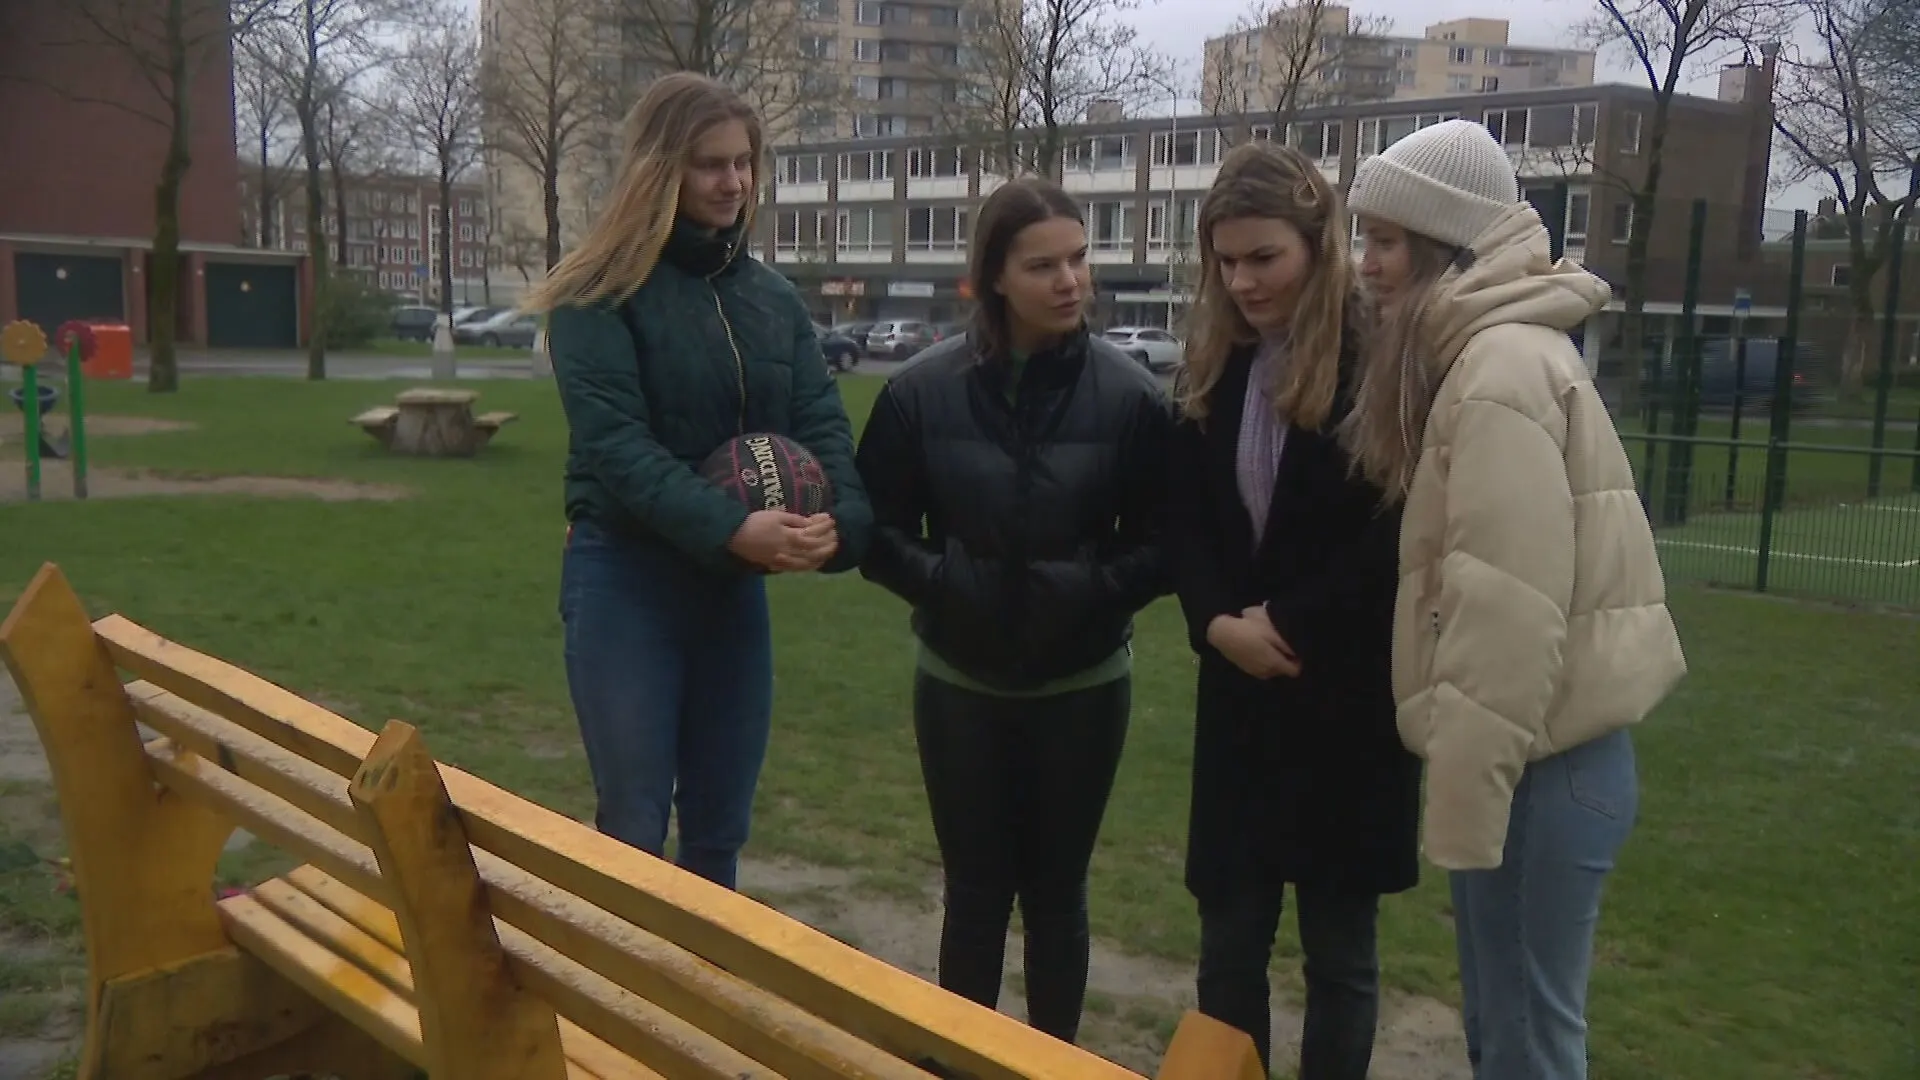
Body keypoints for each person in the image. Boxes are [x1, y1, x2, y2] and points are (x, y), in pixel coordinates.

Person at [1343, 118, 1686, 1079]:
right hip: (1539, 754)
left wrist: (1462, 800)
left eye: (1386, 241)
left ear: (1445, 245)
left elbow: (1509, 609)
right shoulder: (1488, 358)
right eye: (1363, 238)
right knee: (1507, 1038)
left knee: (1528, 1048)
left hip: (1541, 761)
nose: (1365, 264)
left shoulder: (1497, 373)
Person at [525, 72, 872, 892]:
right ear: (659, 170)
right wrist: (727, 526)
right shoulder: (596, 294)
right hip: (626, 578)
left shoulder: (771, 300)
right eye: (710, 164)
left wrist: (840, 526)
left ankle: (700, 1005)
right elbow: (616, 446)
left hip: (729, 591)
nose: (734, 182)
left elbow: (821, 426)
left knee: (718, 835)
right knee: (635, 830)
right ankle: (621, 1008)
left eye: (744, 162)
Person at [854, 177, 1172, 1044]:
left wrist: (1090, 588)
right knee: (977, 897)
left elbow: (1166, 543)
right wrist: (951, 581)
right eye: (1044, 265)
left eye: (1079, 259)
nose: (1071, 280)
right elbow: (872, 532)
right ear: (994, 275)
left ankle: (1051, 1063)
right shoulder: (920, 394)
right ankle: (964, 1060)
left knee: (1058, 897)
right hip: (960, 684)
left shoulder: (1133, 395)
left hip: (1084, 684)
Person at [1163, 141, 1420, 1079]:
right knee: (1228, 951)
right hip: (1238, 703)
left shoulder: (1383, 358)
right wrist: (1216, 623)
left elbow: (1396, 528)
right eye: (1225, 261)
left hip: (1345, 704)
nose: (1241, 281)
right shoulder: (1214, 359)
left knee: (1341, 959)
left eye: (1262, 258)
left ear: (1319, 243)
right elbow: (1182, 518)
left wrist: (1293, 623)